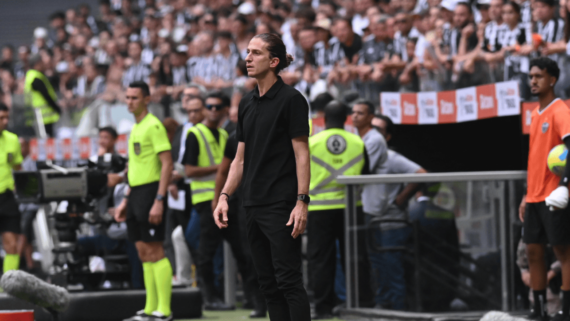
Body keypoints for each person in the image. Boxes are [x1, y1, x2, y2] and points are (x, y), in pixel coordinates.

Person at [213, 33, 312, 321]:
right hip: (251, 205)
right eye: (248, 52)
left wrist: (302, 201)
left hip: (282, 205)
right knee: (267, 284)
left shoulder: (292, 100)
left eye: (256, 53)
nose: (247, 57)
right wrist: (224, 196)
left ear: (274, 61)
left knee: (289, 281)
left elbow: (302, 154)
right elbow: (239, 159)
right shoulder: (246, 103)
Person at [183, 91, 263, 314]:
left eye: (217, 107)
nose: (212, 110)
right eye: (209, 107)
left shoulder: (222, 134)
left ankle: (252, 299)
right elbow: (189, 170)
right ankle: (209, 298)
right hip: (207, 202)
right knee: (206, 252)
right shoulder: (195, 134)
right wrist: (223, 168)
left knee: (243, 252)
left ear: (227, 110)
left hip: (228, 200)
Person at [307, 100, 374, 319]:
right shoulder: (357, 141)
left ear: (324, 119)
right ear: (346, 118)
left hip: (319, 209)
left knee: (320, 260)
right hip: (351, 208)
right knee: (355, 257)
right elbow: (366, 173)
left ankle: (323, 307)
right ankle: (362, 304)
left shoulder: (312, 142)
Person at [115, 81, 174, 321]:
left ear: (147, 99)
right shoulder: (135, 128)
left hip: (151, 192)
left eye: (135, 98)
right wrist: (125, 200)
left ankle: (165, 310)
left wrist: (159, 199)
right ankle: (150, 308)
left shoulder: (153, 126)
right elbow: (135, 169)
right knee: (142, 251)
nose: (130, 102)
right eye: (127, 97)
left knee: (155, 249)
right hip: (136, 194)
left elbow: (167, 163)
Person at [359, 111, 427, 310]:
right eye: (372, 128)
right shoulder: (364, 155)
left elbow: (421, 174)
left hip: (391, 223)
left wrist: (399, 200)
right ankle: (383, 307)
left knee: (392, 269)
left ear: (387, 137)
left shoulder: (391, 157)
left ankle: (397, 311)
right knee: (377, 268)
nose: (374, 134)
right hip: (372, 220)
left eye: (379, 130)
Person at [519, 57, 570, 321]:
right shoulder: (534, 113)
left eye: (539, 76)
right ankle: (538, 311)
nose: (533, 81)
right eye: (531, 76)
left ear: (552, 79)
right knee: (533, 251)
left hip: (554, 196)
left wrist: (564, 186)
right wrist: (526, 195)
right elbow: (536, 158)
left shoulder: (560, 110)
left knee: (563, 251)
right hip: (535, 195)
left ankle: (567, 309)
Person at [0, 103, 23, 274]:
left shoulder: (12, 140)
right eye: (1, 118)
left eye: (7, 117)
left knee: (12, 243)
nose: (5, 121)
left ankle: (7, 288)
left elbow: (17, 166)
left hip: (7, 197)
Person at [24, 54, 61, 137]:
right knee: (46, 141)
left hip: (39, 116)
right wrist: (57, 109)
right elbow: (46, 95)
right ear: (38, 63)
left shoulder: (30, 75)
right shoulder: (35, 78)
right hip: (42, 116)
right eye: (42, 62)